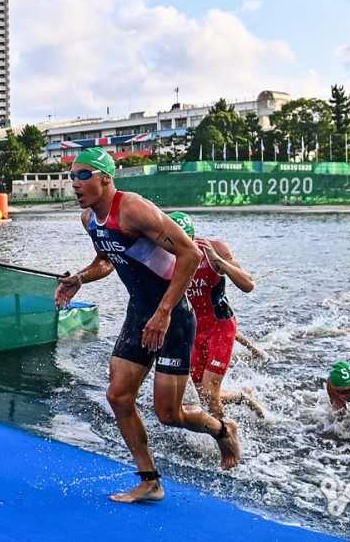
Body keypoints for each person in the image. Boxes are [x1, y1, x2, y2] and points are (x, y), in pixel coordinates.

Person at [54, 148, 241, 504]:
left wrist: (165, 311)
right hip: (139, 314)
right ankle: (150, 481)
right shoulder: (89, 220)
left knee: (168, 414)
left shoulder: (133, 209)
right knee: (118, 396)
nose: (74, 184)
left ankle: (221, 429)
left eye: (82, 176)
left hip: (173, 318)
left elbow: (190, 254)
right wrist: (79, 278)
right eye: (71, 176)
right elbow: (107, 261)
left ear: (106, 178)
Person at [168, 211, 264, 419]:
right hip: (193, 330)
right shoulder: (163, 256)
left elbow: (248, 285)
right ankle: (243, 397)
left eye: (187, 241)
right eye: (176, 243)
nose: (182, 249)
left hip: (220, 327)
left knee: (210, 393)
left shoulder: (215, 249)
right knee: (203, 393)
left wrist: (219, 260)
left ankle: (224, 437)